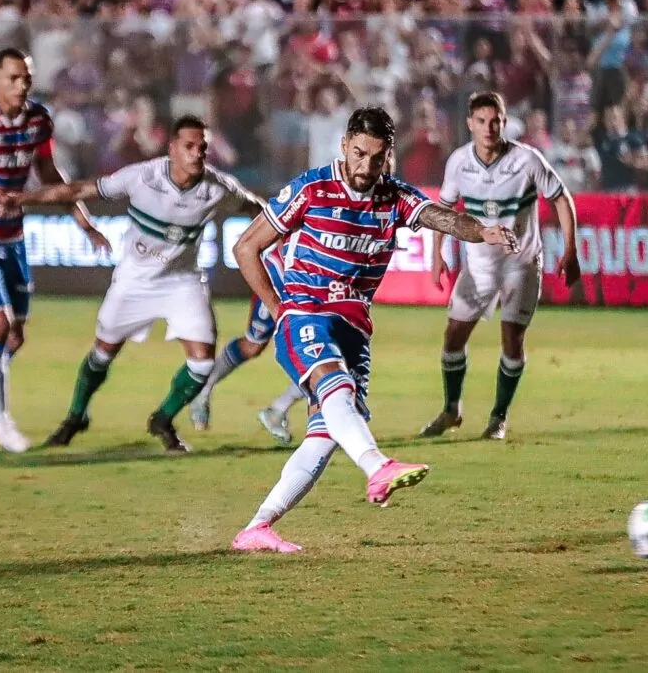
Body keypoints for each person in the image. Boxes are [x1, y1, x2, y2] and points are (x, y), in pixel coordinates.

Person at [230, 106, 518, 553]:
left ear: (389, 158)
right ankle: (376, 465)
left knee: (325, 435)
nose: (366, 167)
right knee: (335, 389)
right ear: (344, 145)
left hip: (355, 327)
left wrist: (482, 231)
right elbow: (246, 246)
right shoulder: (311, 188)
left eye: (377, 158)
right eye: (359, 153)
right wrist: (281, 308)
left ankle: (257, 528)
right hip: (307, 311)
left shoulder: (394, 197)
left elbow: (442, 216)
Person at [0, 116, 265, 452]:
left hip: (182, 282)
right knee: (103, 353)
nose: (197, 154)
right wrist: (20, 199)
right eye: (189, 147)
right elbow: (79, 189)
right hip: (134, 280)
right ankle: (76, 416)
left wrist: (285, 235)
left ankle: (163, 419)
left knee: (203, 361)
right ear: (172, 149)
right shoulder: (142, 177)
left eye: (203, 148)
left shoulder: (218, 187)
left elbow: (259, 209)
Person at [0, 47, 110, 454]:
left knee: (15, 337)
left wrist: (83, 220)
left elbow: (51, 174)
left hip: (12, 235)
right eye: (14, 78)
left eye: (27, 79)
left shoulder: (38, 120)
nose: (21, 85)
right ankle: (0, 420)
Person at [419, 91, 581, 441]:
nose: (489, 128)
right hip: (477, 269)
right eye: (481, 121)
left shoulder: (527, 160)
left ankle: (498, 417)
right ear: (470, 124)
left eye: (495, 121)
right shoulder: (459, 162)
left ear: (504, 122)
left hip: (520, 265)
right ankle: (451, 409)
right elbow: (443, 212)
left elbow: (561, 198)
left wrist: (571, 249)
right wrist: (438, 256)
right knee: (453, 336)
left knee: (512, 340)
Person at [189, 240, 306, 446]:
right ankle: (203, 390)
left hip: (311, 278)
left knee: (331, 354)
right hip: (282, 276)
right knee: (253, 345)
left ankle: (278, 410)